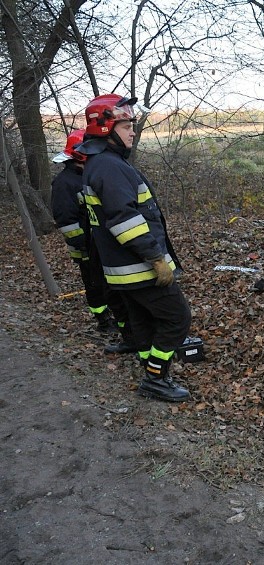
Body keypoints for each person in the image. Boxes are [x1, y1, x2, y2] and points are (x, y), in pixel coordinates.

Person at [77, 94, 191, 402]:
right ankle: (156, 375)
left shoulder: (99, 164)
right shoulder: (110, 168)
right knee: (178, 318)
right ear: (105, 129)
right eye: (126, 126)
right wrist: (156, 258)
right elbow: (124, 220)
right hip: (138, 267)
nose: (132, 132)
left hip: (121, 269)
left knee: (141, 319)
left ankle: (147, 364)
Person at [51, 129, 135, 354]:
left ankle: (123, 326)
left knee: (111, 286)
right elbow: (66, 220)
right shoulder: (64, 183)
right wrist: (83, 246)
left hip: (100, 244)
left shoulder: (88, 175)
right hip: (86, 248)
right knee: (96, 286)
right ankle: (103, 320)